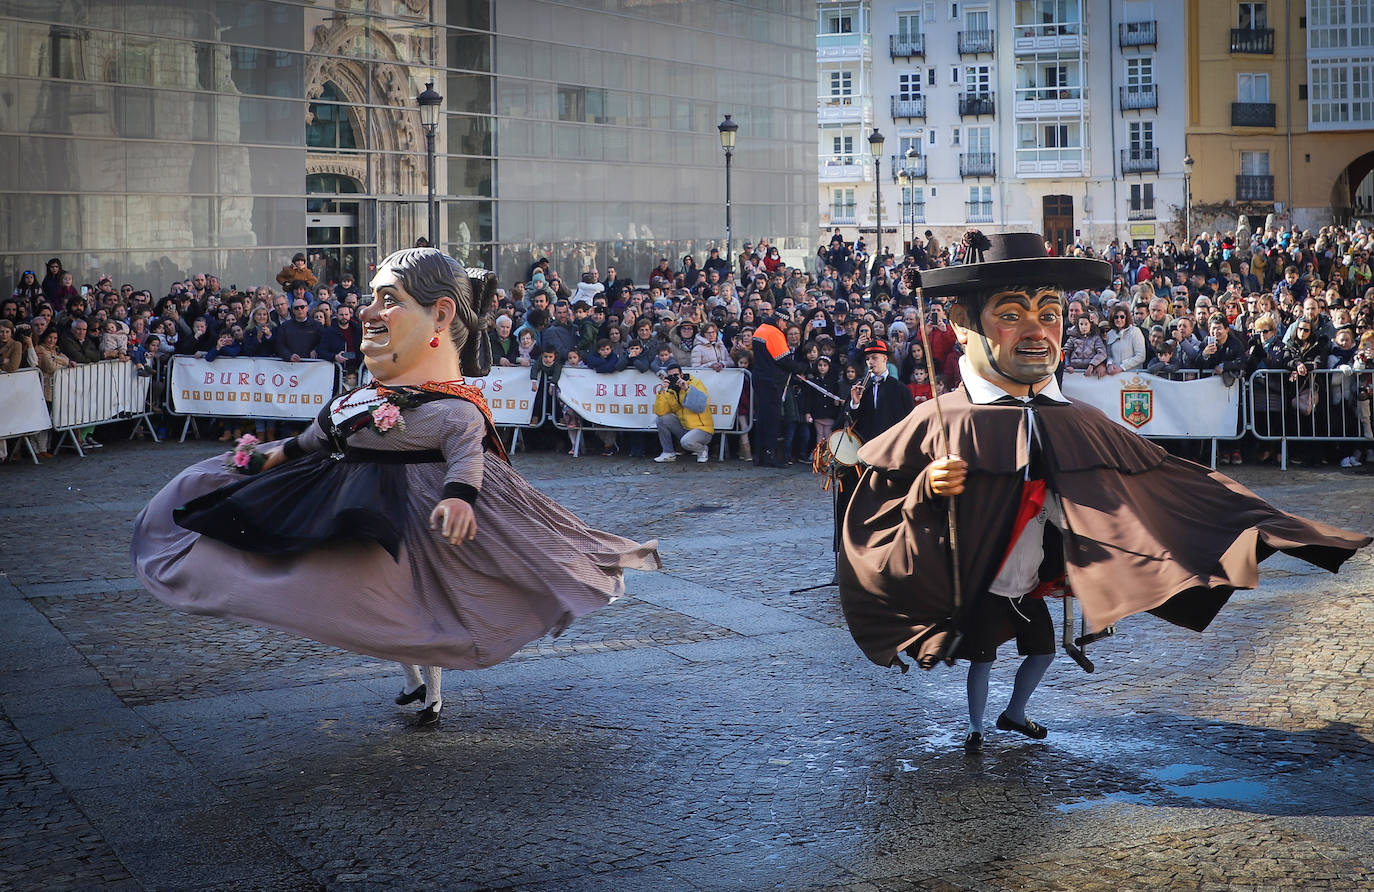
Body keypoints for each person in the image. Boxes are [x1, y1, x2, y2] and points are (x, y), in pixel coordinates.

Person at [839, 231, 1370, 756]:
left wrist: (1262, 524)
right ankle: (978, 726)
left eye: (1049, 314)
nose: (1036, 332)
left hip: (1030, 581)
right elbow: (873, 518)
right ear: (963, 324)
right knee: (982, 657)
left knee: (1040, 651)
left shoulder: (1083, 421)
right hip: (980, 584)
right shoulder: (936, 420)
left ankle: (1014, 712)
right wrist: (927, 490)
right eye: (1011, 314)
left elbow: (1164, 481)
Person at [131, 249, 660, 728]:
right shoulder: (361, 397)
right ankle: (417, 684)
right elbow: (313, 440)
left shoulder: (454, 405)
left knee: (418, 602)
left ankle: (429, 690)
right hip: (354, 504)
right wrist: (264, 457)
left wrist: (459, 496)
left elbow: (467, 454)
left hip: (416, 510)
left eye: (389, 300)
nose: (367, 312)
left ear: (442, 316)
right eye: (370, 299)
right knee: (376, 600)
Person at [652, 362, 713, 463]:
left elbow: (699, 407)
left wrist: (687, 389)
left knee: (686, 442)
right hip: (685, 428)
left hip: (702, 429)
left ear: (681, 374)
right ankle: (668, 453)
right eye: (670, 376)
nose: (674, 378)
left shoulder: (695, 383)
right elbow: (660, 412)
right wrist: (662, 392)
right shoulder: (670, 390)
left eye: (676, 375)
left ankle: (702, 449)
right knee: (661, 419)